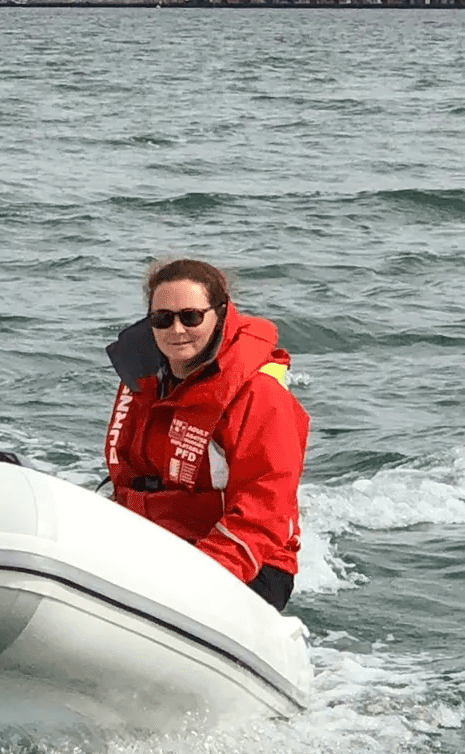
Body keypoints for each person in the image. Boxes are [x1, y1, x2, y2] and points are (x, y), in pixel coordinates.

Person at [104, 259, 310, 611]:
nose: (177, 329)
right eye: (162, 319)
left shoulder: (260, 396)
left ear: (220, 314)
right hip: (157, 540)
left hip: (245, 564)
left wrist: (199, 578)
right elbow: (126, 478)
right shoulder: (144, 384)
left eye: (191, 317)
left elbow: (265, 509)